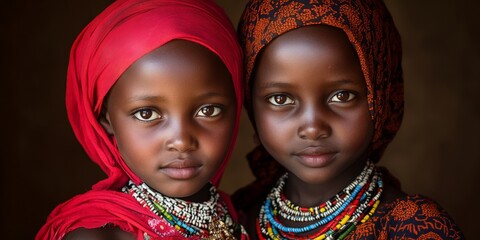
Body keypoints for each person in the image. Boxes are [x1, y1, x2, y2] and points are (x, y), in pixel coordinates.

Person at [232, 0, 465, 239]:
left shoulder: (414, 228)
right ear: (250, 103)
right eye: (280, 99)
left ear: (380, 96)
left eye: (342, 96)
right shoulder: (235, 221)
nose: (313, 128)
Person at [35, 0, 249, 239]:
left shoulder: (241, 215)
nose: (181, 141)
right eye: (146, 114)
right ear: (105, 118)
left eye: (208, 111)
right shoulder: (97, 236)